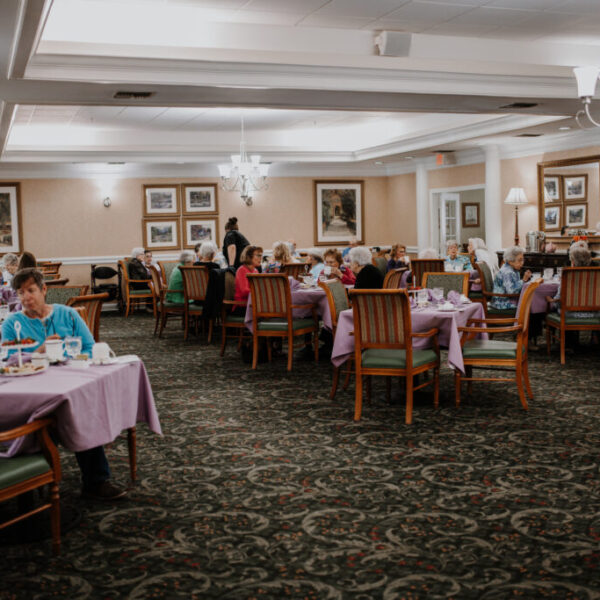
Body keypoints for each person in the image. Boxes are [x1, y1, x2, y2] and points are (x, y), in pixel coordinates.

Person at [1, 268, 126, 500]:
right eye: (20, 292)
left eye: (31, 290)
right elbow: (8, 359)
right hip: (33, 389)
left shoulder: (67, 314)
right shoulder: (12, 323)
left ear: (44, 289)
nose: (26, 297)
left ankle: (96, 481)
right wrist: (39, 350)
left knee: (82, 413)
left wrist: (67, 356)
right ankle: (28, 483)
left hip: (69, 381)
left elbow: (88, 347)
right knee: (38, 422)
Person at [490, 246, 532, 311]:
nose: (522, 263)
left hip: (504, 299)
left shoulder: (513, 269)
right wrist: (524, 280)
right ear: (510, 262)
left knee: (530, 301)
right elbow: (511, 292)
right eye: (519, 260)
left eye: (523, 260)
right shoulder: (508, 272)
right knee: (529, 305)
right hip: (501, 303)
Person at [233, 245, 263, 312]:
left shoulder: (255, 271)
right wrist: (261, 292)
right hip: (242, 305)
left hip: (253, 304)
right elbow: (244, 291)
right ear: (249, 256)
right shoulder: (242, 270)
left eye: (261, 255)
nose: (261, 258)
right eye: (258, 255)